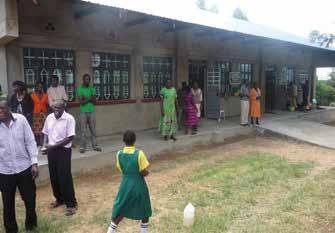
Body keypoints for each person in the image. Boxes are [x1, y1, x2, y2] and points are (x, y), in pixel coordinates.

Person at [0, 97, 39, 233]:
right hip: (5, 172)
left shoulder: (21, 120)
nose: (0, 112)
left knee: (30, 200)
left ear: (9, 108)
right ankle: (11, 230)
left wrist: (34, 162)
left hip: (24, 168)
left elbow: (30, 141)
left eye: (2, 108)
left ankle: (31, 227)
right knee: (8, 204)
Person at [107, 130, 152, 233]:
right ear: (134, 140)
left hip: (125, 185)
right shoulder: (139, 153)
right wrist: (147, 173)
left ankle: (110, 230)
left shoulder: (119, 154)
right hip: (138, 185)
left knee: (122, 208)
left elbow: (121, 169)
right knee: (144, 208)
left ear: (123, 141)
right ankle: (143, 231)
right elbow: (142, 171)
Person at [42, 100, 77, 216]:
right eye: (54, 108)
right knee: (54, 176)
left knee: (64, 176)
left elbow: (70, 137)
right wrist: (44, 145)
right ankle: (59, 199)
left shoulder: (69, 119)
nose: (56, 110)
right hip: (52, 150)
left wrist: (53, 146)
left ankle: (71, 204)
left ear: (64, 108)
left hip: (63, 150)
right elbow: (45, 133)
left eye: (58, 108)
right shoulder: (49, 118)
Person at [77, 74, 101, 153]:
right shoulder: (79, 89)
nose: (88, 81)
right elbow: (81, 102)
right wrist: (90, 98)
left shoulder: (92, 89)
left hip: (91, 111)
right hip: (83, 112)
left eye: (89, 79)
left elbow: (95, 102)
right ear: (83, 80)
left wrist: (86, 98)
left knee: (93, 130)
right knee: (83, 131)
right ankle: (82, 147)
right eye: (86, 79)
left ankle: (95, 145)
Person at [31, 82, 48, 146]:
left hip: (43, 113)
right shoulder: (33, 95)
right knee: (36, 129)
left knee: (43, 128)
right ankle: (37, 142)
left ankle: (43, 142)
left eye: (41, 86)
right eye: (38, 86)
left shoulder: (45, 95)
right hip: (36, 113)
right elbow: (31, 104)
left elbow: (47, 103)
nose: (40, 88)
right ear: (36, 87)